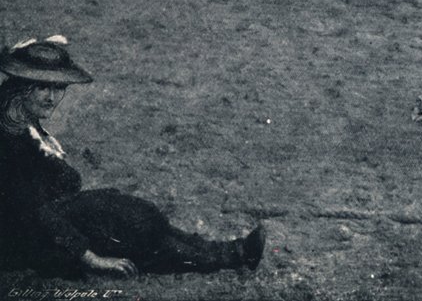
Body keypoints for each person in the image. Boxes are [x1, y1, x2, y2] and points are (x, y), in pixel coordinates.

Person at [0, 36, 264, 277]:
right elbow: (35, 212)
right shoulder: (9, 141)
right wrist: (92, 259)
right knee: (132, 227)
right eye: (43, 88)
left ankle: (231, 251)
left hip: (43, 221)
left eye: (59, 88)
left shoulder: (17, 118)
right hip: (23, 241)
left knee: (132, 215)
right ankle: (228, 255)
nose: (52, 98)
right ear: (22, 87)